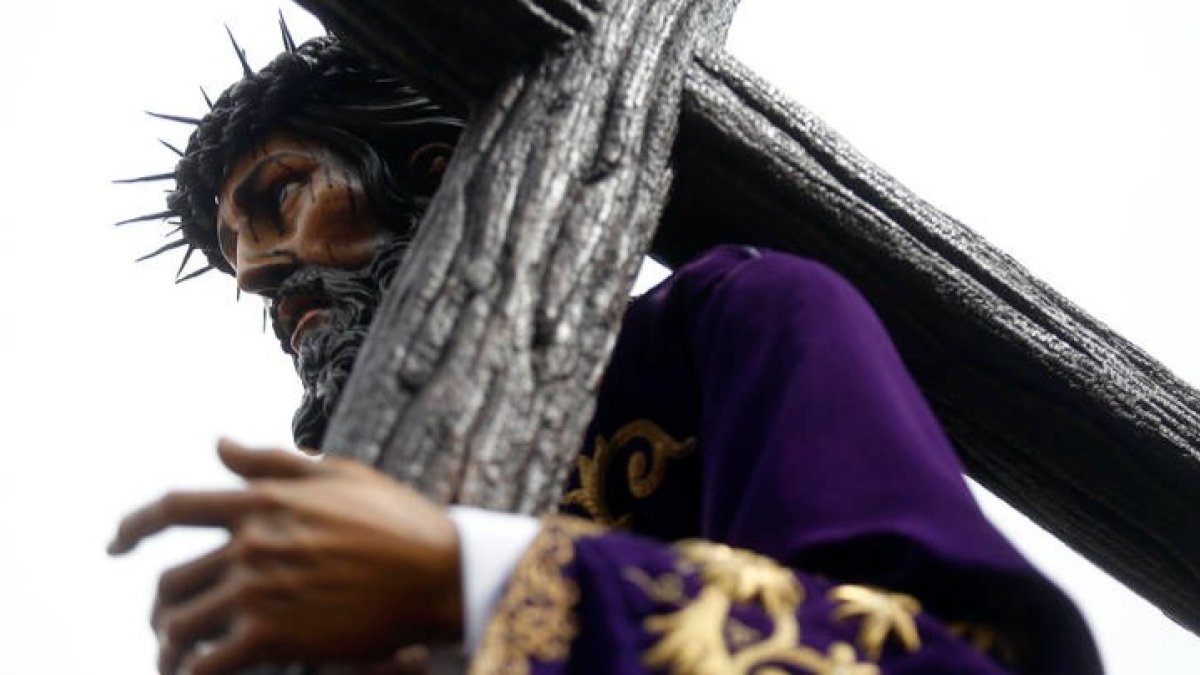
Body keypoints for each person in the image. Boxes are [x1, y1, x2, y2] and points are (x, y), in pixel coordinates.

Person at [109, 35, 1103, 675]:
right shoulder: (311, 558)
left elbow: (951, 661)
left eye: (279, 198)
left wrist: (481, 580)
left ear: (432, 171)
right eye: (231, 247)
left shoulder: (729, 321)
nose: (253, 276)